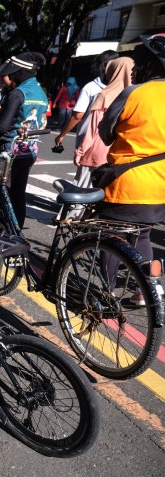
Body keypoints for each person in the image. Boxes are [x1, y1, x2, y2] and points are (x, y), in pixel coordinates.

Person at [97, 34, 165, 303]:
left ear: (152, 65)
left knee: (110, 235)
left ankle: (106, 292)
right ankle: (145, 291)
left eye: (139, 62)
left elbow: (105, 132)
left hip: (126, 182)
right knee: (143, 234)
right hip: (159, 185)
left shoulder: (133, 93)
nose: (134, 68)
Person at [0, 52, 49, 228]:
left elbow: (2, 128)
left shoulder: (17, 93)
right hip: (30, 151)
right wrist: (1, 108)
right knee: (19, 194)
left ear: (21, 71)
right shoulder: (40, 92)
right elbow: (21, 116)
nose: (7, 75)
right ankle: (16, 231)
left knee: (2, 195)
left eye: (11, 71)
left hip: (11, 152)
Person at [54, 50, 119, 186]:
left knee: (84, 180)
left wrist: (62, 135)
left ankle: (77, 205)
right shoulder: (122, 89)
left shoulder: (91, 88)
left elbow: (77, 115)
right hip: (111, 142)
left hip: (88, 140)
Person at [74, 58, 134, 180]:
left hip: (97, 153)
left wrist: (80, 152)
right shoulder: (136, 96)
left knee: (84, 192)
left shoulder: (106, 94)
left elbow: (94, 129)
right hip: (122, 155)